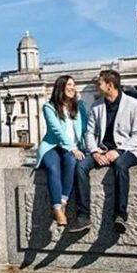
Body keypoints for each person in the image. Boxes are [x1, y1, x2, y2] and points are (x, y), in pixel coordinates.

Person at [69, 69, 137, 234]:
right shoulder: (97, 106)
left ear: (110, 85)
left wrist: (118, 151)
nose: (97, 85)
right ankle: (83, 216)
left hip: (127, 150)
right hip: (101, 150)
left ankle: (120, 215)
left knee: (121, 166)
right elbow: (89, 133)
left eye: (99, 83)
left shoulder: (135, 105)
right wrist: (95, 152)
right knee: (81, 167)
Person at [35, 75, 88, 226]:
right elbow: (57, 131)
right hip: (52, 146)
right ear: (61, 87)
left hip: (72, 148)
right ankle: (57, 208)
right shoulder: (49, 107)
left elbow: (85, 130)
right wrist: (72, 148)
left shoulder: (81, 106)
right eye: (69, 85)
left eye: (74, 85)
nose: (73, 88)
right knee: (53, 168)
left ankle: (63, 201)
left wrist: (90, 147)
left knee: (71, 161)